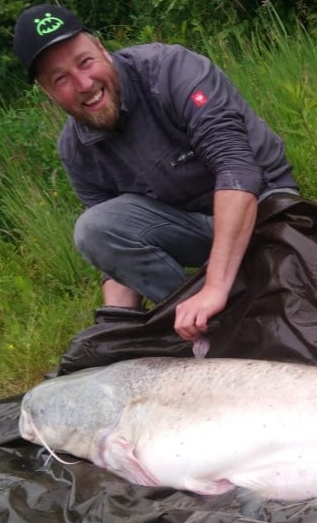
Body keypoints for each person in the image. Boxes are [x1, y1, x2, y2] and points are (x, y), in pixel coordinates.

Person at [12, 4, 299, 343]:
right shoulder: (75, 150)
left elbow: (237, 169)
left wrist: (214, 287)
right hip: (196, 235)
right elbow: (112, 247)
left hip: (268, 214)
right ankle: (210, 328)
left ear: (103, 49)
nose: (84, 83)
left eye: (85, 61)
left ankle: (222, 302)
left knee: (250, 259)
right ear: (48, 92)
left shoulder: (171, 70)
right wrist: (118, 326)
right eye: (61, 79)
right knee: (93, 228)